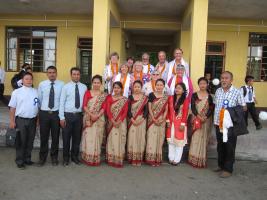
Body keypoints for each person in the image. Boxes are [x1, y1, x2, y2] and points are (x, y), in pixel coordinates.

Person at [213, 71, 246, 178]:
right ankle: (221, 165)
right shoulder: (218, 91)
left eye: (226, 78)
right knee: (220, 146)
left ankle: (228, 169)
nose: (223, 80)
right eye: (222, 78)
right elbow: (215, 105)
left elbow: (243, 107)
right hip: (218, 123)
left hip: (230, 125)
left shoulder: (237, 92)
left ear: (231, 80)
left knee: (229, 147)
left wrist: (230, 112)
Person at [8, 72, 39, 169]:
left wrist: (37, 120)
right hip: (21, 120)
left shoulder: (36, 91)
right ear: (22, 80)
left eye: (30, 79)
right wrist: (12, 121)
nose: (29, 81)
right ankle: (20, 161)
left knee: (30, 140)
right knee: (21, 141)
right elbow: (12, 108)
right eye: (26, 79)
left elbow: (37, 107)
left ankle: (27, 159)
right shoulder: (17, 92)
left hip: (33, 120)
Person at [59, 67, 87, 166]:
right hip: (68, 116)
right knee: (66, 138)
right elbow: (61, 103)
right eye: (74, 74)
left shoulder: (84, 87)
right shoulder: (65, 87)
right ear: (71, 75)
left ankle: (74, 157)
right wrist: (62, 117)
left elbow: (85, 103)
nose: (76, 76)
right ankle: (66, 158)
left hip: (79, 116)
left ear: (80, 75)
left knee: (77, 138)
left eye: (78, 74)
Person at [37, 66, 64, 166]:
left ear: (56, 73)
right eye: (49, 72)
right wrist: (39, 115)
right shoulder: (42, 84)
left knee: (55, 137)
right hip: (44, 114)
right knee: (44, 137)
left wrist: (61, 116)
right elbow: (39, 100)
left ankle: (54, 157)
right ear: (47, 74)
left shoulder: (62, 84)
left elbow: (62, 101)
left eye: (53, 72)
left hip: (56, 114)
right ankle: (42, 158)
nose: (52, 74)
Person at [81, 75, 107, 166]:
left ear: (101, 84)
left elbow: (104, 107)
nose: (96, 84)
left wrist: (97, 115)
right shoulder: (87, 93)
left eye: (98, 83)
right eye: (94, 82)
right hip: (89, 118)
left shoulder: (103, 95)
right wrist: (92, 115)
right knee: (88, 138)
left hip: (99, 119)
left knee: (97, 137)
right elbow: (84, 106)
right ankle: (87, 157)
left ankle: (96, 158)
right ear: (92, 83)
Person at [188, 77, 214, 168]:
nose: (202, 85)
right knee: (195, 137)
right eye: (201, 83)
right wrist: (198, 116)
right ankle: (193, 159)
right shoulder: (194, 95)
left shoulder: (210, 96)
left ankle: (201, 159)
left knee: (204, 138)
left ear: (207, 85)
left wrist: (205, 117)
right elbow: (193, 107)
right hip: (196, 119)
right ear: (198, 85)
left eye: (204, 83)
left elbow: (211, 108)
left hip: (206, 121)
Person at [145, 79, 168, 167]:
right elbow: (149, 107)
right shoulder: (151, 95)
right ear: (155, 86)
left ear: (163, 86)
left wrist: (163, 119)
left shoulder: (166, 96)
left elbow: (166, 109)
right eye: (157, 85)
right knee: (151, 138)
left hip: (161, 119)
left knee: (160, 138)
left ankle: (157, 159)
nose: (159, 87)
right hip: (152, 119)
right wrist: (153, 118)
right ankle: (150, 159)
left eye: (161, 85)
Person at [105, 82, 128, 168]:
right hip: (111, 123)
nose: (116, 89)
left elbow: (125, 111)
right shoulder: (109, 98)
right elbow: (108, 110)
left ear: (121, 89)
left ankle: (119, 158)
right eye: (115, 87)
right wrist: (113, 120)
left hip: (121, 123)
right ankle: (111, 159)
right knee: (112, 140)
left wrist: (119, 120)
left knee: (120, 140)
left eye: (118, 88)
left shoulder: (125, 99)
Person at [166, 82, 189, 165]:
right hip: (171, 123)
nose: (177, 89)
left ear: (183, 91)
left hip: (180, 123)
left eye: (179, 88)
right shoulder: (171, 98)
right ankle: (171, 158)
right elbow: (167, 110)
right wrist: (167, 121)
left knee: (179, 142)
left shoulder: (185, 100)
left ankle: (177, 159)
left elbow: (186, 112)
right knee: (171, 141)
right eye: (176, 88)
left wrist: (183, 124)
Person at [127, 80, 148, 166]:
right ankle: (132, 158)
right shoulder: (130, 97)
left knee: (140, 138)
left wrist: (141, 119)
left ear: (141, 88)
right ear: (132, 88)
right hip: (132, 121)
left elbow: (146, 111)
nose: (136, 88)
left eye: (138, 87)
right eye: (135, 87)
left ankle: (138, 158)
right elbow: (128, 110)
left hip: (141, 121)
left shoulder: (145, 98)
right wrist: (132, 119)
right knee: (132, 138)